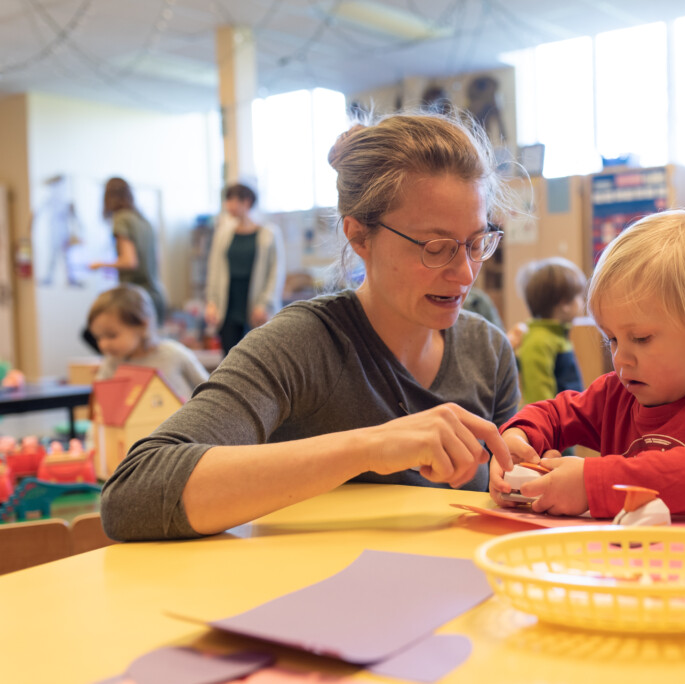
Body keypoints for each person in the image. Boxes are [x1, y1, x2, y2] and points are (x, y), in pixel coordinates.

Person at [101, 111, 518, 541]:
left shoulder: (487, 351)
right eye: (436, 247)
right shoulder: (302, 345)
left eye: (475, 243)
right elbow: (134, 494)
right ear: (359, 237)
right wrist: (371, 447)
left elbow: (522, 507)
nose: (465, 274)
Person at [489, 209, 685, 520]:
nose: (620, 358)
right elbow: (554, 414)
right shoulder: (616, 396)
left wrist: (594, 483)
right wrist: (518, 439)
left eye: (641, 338)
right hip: (639, 563)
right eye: (613, 339)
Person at [88, 284, 209, 401]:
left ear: (142, 326)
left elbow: (210, 390)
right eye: (98, 338)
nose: (103, 344)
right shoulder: (111, 363)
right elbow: (103, 403)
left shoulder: (174, 353)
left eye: (111, 335)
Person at [205, 183, 285, 354]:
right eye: (227, 200)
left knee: (257, 355)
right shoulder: (223, 233)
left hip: (256, 303)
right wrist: (211, 301)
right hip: (228, 303)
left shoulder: (268, 233)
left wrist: (265, 304)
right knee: (228, 356)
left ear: (246, 202)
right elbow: (214, 268)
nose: (228, 205)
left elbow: (276, 272)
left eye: (232, 200)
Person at [89, 177, 167, 325]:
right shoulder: (142, 220)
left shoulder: (121, 219)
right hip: (155, 296)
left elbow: (129, 261)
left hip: (136, 300)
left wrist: (99, 264)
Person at [515, 256, 587, 405]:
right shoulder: (539, 341)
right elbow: (539, 397)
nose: (582, 302)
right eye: (578, 297)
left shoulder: (557, 335)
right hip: (554, 424)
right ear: (564, 303)